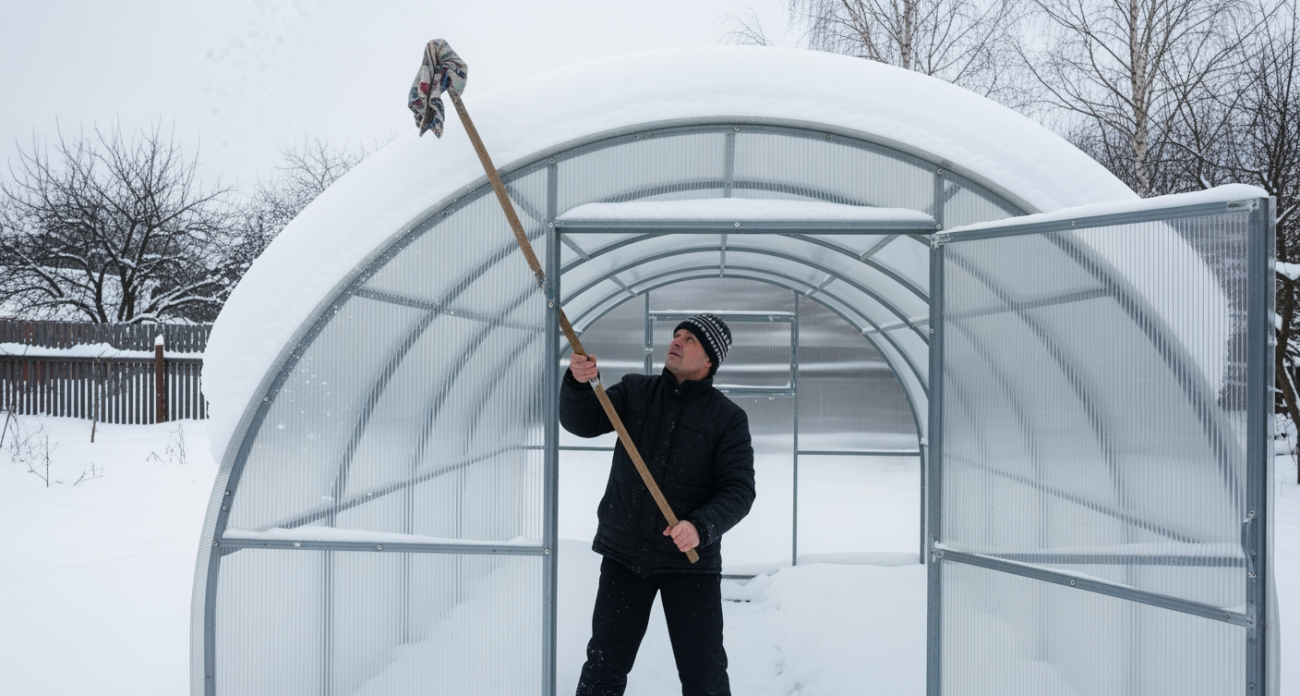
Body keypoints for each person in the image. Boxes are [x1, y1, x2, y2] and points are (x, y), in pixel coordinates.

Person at [561, 313, 756, 696]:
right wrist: (578, 384)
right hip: (625, 555)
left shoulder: (727, 419)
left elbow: (739, 490)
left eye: (690, 339)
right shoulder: (636, 391)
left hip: (689, 563)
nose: (677, 341)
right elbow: (583, 422)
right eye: (676, 334)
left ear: (709, 360)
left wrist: (700, 526)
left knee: (704, 675)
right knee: (604, 665)